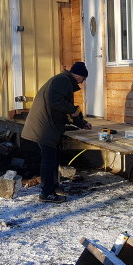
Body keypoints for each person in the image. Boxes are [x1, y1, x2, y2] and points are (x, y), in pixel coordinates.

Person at [21, 61, 92, 203]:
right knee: (48, 160)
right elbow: (56, 102)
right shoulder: (62, 81)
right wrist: (73, 111)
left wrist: (81, 123)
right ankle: (46, 193)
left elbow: (67, 107)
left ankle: (52, 186)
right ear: (78, 76)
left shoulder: (63, 80)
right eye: (83, 79)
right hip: (44, 127)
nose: (83, 82)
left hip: (47, 126)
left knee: (52, 159)